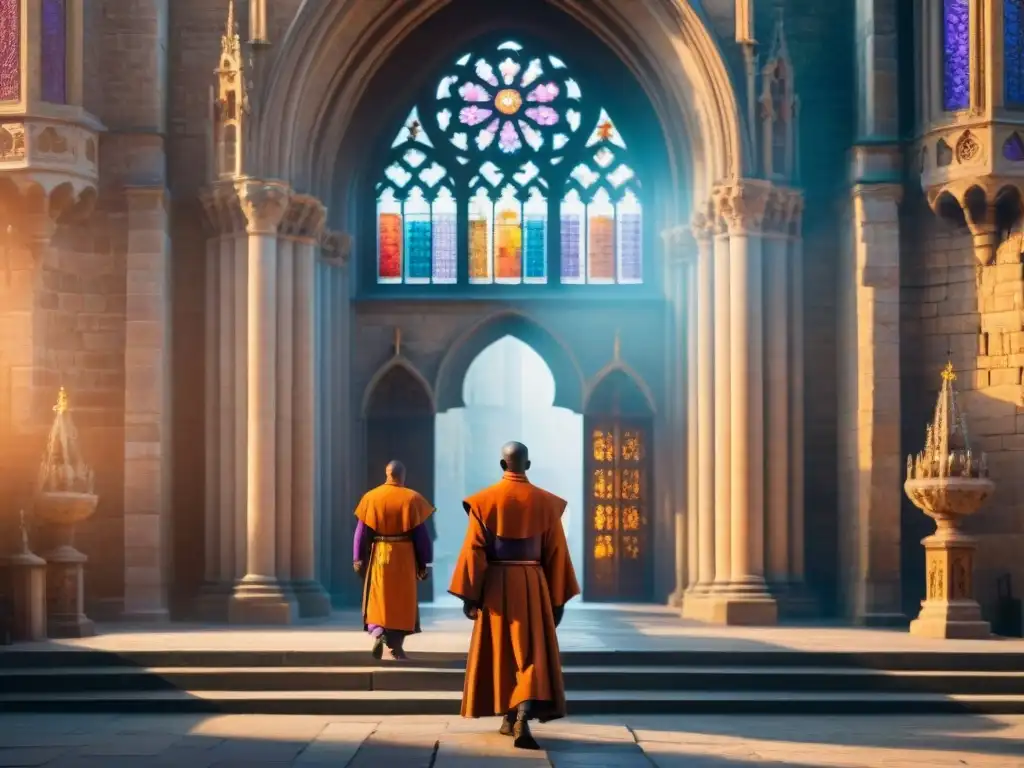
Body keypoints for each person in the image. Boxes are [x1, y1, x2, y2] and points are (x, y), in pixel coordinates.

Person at [448, 441, 580, 750]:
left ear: (502, 464)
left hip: (496, 583)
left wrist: (470, 595)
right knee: (530, 652)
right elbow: (556, 553)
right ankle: (516, 717)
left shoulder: (484, 502)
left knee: (502, 652)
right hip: (533, 582)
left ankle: (514, 718)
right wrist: (557, 598)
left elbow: (474, 551)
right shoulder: (546, 504)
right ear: (527, 465)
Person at [353, 460, 434, 660]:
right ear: (402, 475)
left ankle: (379, 631)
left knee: (378, 598)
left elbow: (361, 533)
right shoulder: (412, 499)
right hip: (404, 555)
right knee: (401, 601)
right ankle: (396, 647)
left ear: (386, 474)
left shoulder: (371, 498)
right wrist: (424, 563)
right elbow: (422, 536)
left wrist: (358, 558)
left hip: (379, 553)